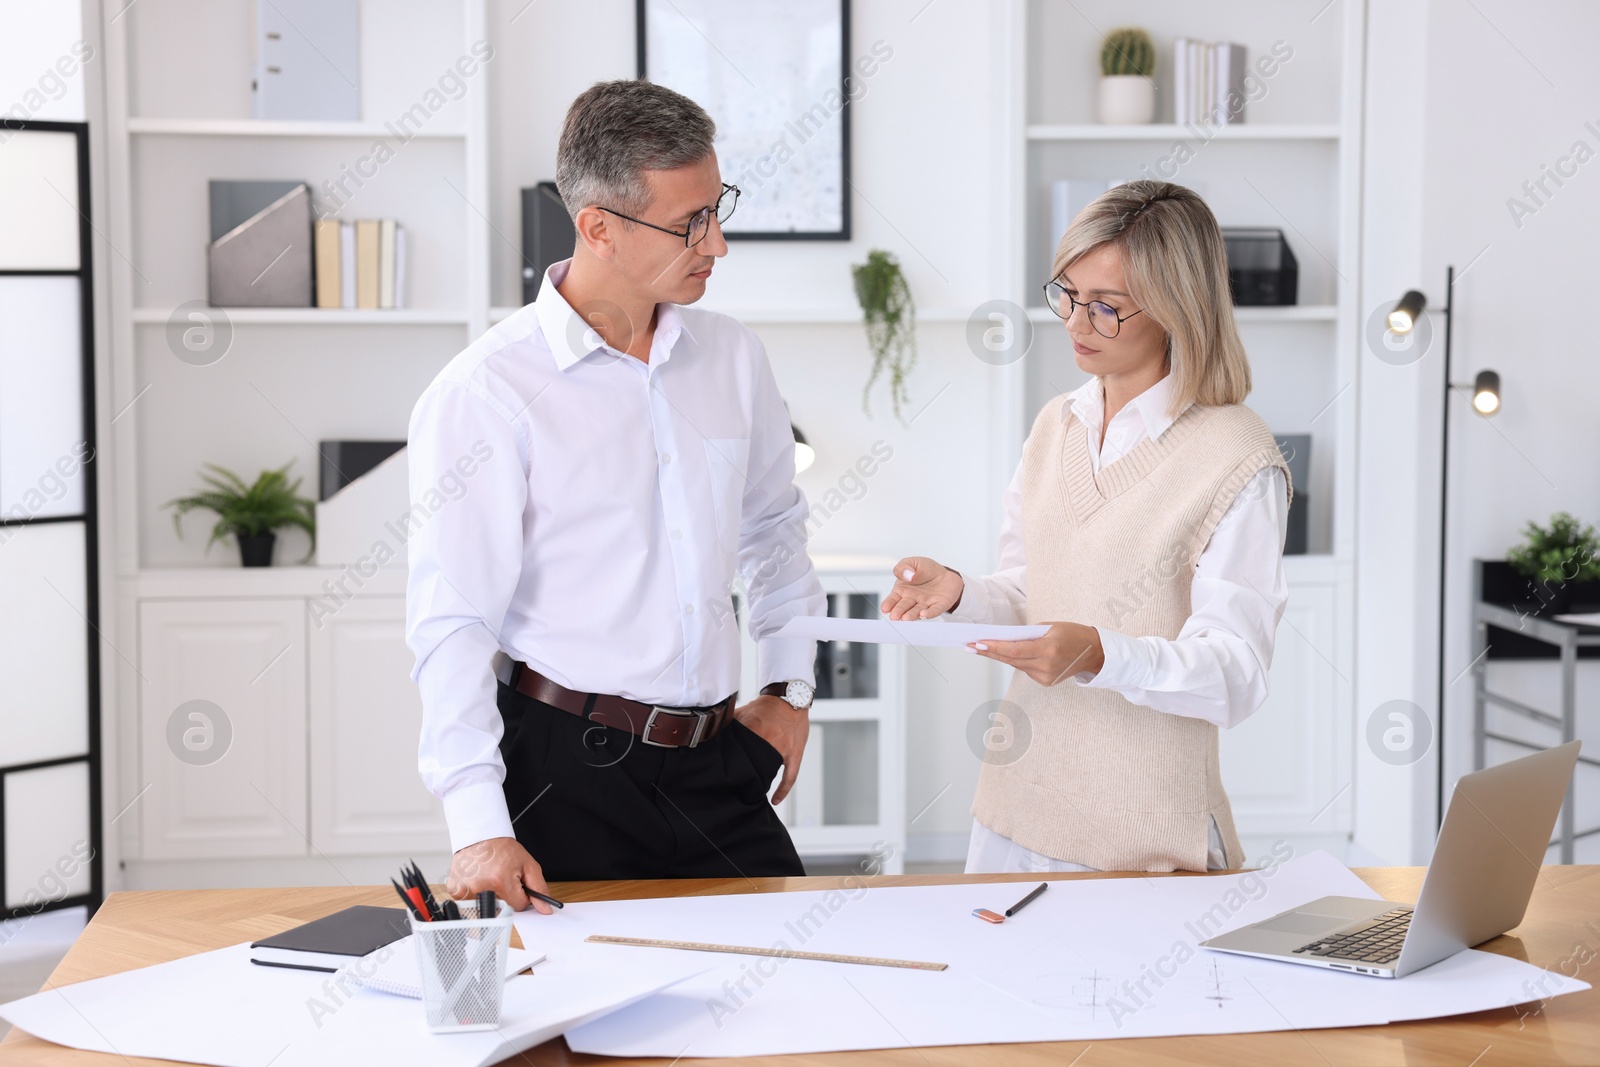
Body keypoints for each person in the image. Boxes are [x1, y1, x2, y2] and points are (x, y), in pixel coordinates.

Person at [405, 80, 825, 912]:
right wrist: (478, 824)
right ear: (597, 226)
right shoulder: (485, 392)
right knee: (575, 1034)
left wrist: (786, 689)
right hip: (562, 772)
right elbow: (452, 620)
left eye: (717, 207)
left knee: (787, 996)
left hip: (718, 760)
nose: (719, 243)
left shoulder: (733, 358)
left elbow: (775, 531)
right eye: (690, 223)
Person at [880, 180, 1291, 875]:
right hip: (1015, 810)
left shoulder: (1238, 457)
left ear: (1177, 310)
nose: (1074, 323)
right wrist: (958, 594)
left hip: (1148, 839)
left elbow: (1235, 674)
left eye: (1106, 308)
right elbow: (1031, 595)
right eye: (1067, 294)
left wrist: (1103, 655)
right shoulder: (1056, 424)